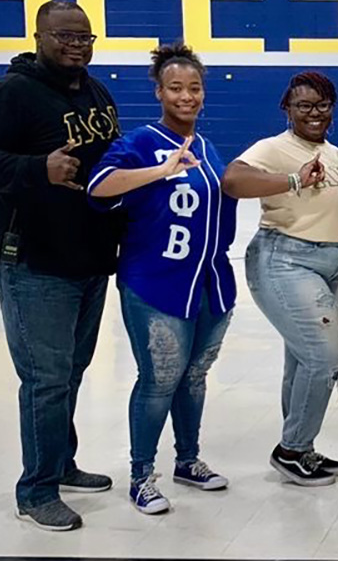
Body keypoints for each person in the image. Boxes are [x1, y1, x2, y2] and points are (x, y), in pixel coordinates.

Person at [0, 0, 121, 531]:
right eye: (65, 36)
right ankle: (35, 491)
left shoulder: (95, 90)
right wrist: (37, 168)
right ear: (39, 36)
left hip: (88, 254)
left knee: (70, 373)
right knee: (45, 378)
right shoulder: (12, 91)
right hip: (31, 259)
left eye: (85, 37)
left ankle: (61, 464)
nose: (76, 45)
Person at [88, 42, 236, 514]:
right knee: (159, 380)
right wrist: (159, 171)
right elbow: (97, 187)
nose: (186, 96)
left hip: (210, 284)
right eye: (175, 88)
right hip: (155, 283)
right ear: (159, 92)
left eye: (194, 88)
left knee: (194, 377)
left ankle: (188, 460)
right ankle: (140, 476)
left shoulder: (208, 147)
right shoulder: (140, 143)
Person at [221, 71, 338, 487]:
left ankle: (300, 448)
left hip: (329, 266)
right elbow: (233, 180)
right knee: (325, 357)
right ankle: (291, 448)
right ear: (287, 109)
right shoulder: (276, 148)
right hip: (285, 260)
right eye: (303, 105)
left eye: (322, 105)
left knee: (303, 358)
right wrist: (293, 180)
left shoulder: (335, 154)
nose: (314, 113)